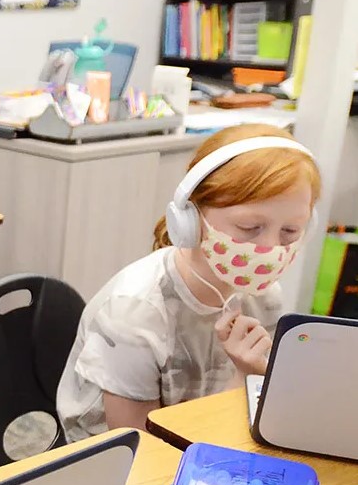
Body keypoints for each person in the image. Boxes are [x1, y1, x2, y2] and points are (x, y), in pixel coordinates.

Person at [57, 124, 320, 443]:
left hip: (213, 443)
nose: (270, 249)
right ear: (190, 220)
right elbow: (142, 452)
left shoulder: (262, 296)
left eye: (290, 232)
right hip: (123, 461)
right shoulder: (133, 314)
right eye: (250, 227)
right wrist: (243, 379)